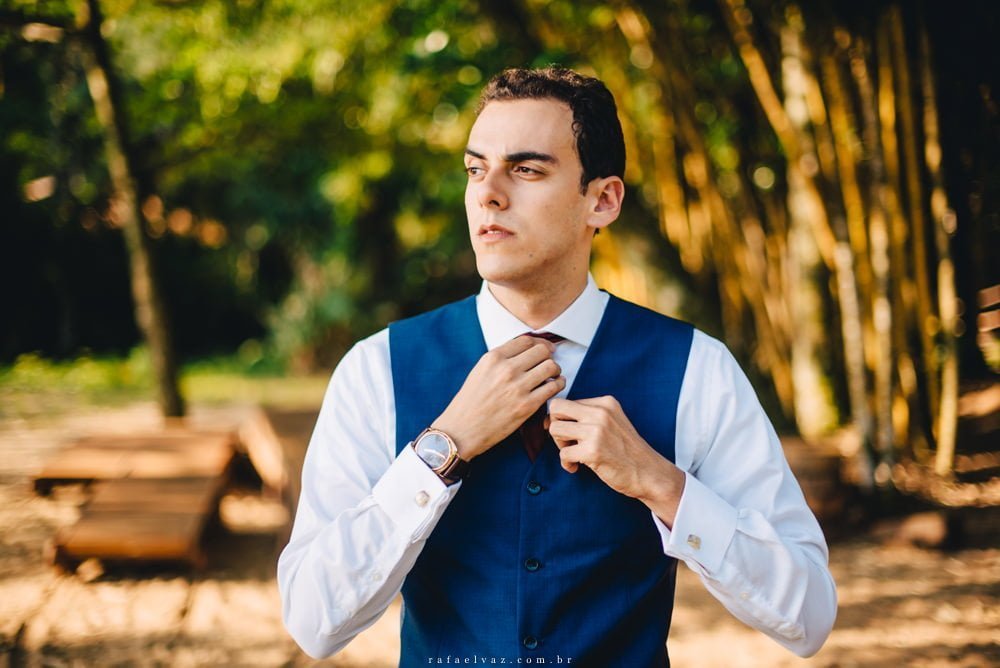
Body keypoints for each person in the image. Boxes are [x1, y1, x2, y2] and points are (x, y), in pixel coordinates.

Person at [277, 66, 837, 666]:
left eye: (526, 170)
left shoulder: (697, 368)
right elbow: (313, 621)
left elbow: (807, 615)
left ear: (603, 200)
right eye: (475, 169)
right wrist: (442, 449)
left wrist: (660, 483)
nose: (489, 193)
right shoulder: (377, 368)